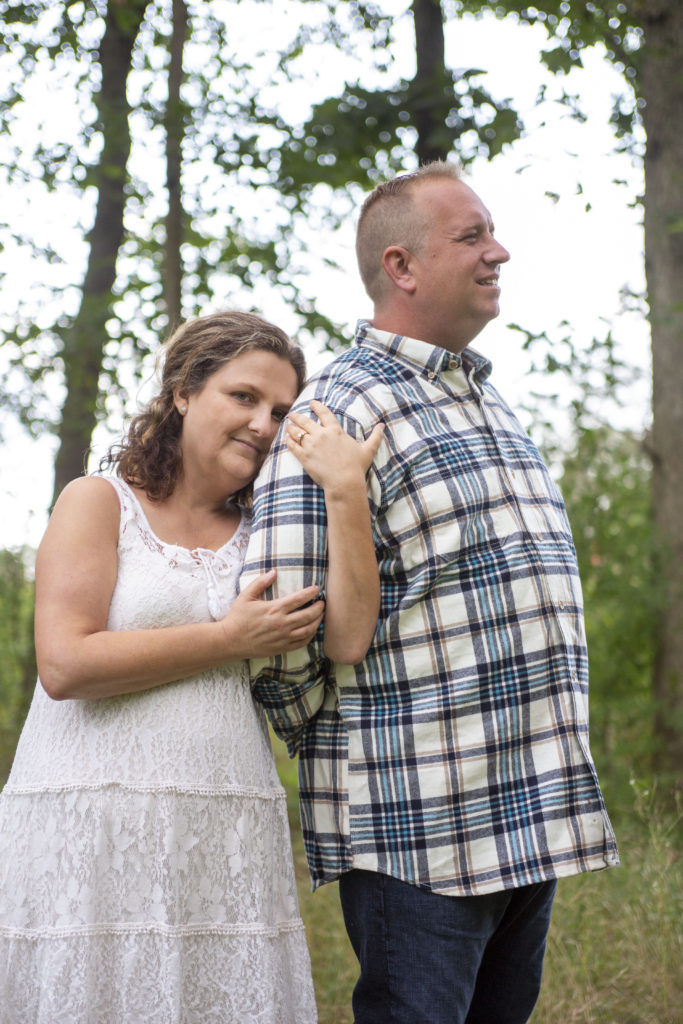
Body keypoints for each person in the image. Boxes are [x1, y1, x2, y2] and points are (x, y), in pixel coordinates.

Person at [240, 163, 620, 1024]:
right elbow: (282, 638)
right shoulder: (335, 410)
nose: (499, 251)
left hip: (526, 810)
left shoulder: (485, 401)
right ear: (402, 266)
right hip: (422, 830)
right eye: (473, 236)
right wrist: (360, 757)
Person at [0, 310, 384, 1024]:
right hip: (94, 821)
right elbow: (65, 662)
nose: (263, 425)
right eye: (243, 397)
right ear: (182, 390)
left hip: (221, 820)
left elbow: (350, 638)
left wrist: (344, 492)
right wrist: (227, 637)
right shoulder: (99, 501)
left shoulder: (269, 529)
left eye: (279, 410)